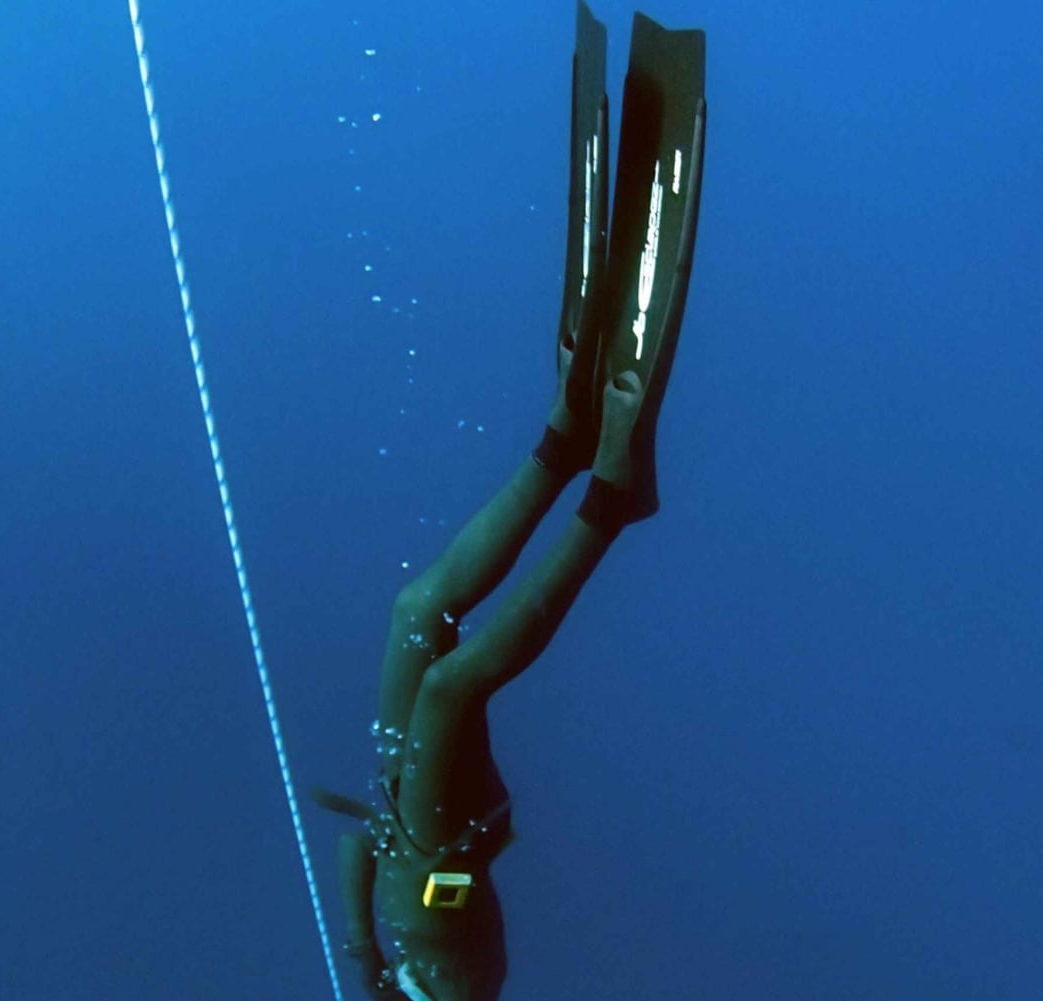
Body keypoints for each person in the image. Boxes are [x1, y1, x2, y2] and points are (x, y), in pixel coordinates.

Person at [314, 5, 707, 998]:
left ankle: (561, 444)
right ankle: (613, 502)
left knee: (416, 610)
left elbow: (357, 853)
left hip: (409, 815)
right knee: (452, 684)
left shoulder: (385, 973)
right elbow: (448, 923)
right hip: (450, 839)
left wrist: (363, 961)